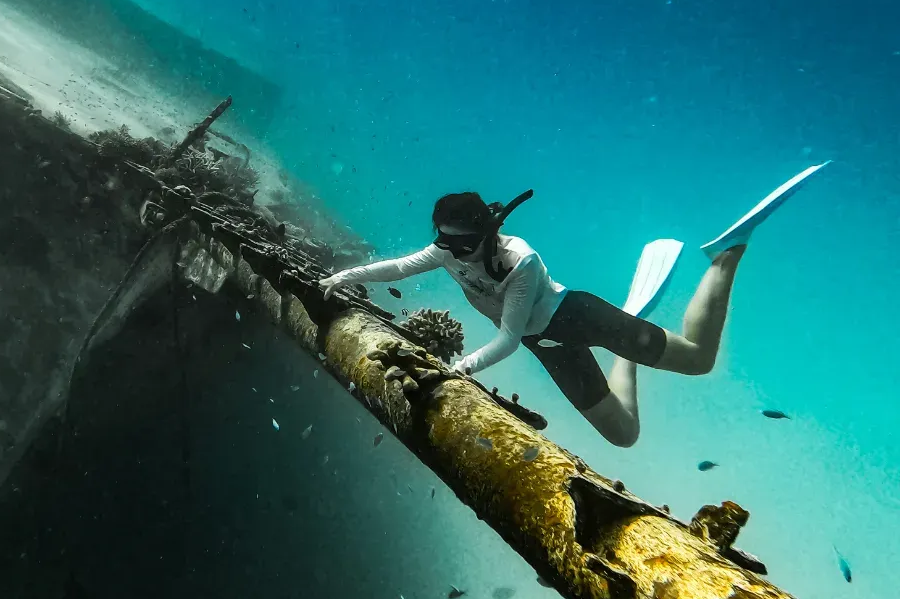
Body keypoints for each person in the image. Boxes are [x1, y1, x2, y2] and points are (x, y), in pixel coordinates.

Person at [318, 163, 829, 447]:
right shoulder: (446, 249)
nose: (445, 253)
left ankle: (724, 256)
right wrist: (345, 275)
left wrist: (461, 368)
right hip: (550, 344)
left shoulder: (523, 263)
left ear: (484, 233)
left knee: (697, 358)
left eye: (457, 245)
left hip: (576, 317)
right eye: (441, 242)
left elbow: (508, 339)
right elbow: (399, 268)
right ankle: (628, 347)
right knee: (624, 436)